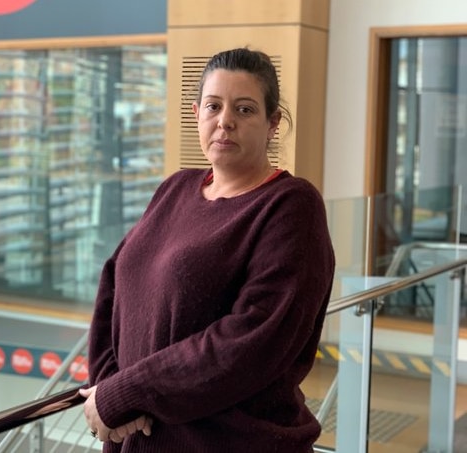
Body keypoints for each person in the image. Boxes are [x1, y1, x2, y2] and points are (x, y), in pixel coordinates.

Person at [79, 46, 336, 452]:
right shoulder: (176, 187)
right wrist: (109, 387)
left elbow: (253, 339)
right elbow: (116, 280)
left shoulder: (290, 206)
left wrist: (128, 393)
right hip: (140, 436)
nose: (225, 122)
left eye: (245, 109)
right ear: (197, 112)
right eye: (214, 106)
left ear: (273, 123)